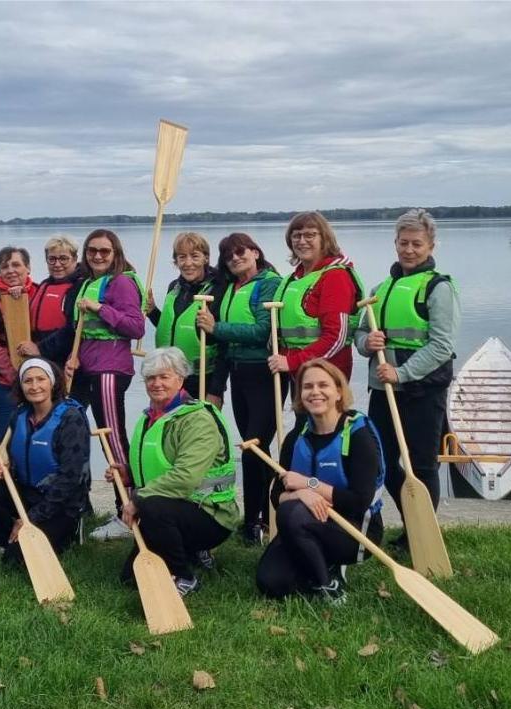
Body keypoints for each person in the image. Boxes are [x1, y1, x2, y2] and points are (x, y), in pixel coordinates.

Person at [355, 208, 459, 552]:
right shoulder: (379, 289)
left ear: (431, 245)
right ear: (395, 243)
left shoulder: (438, 287)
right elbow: (359, 335)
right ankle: (405, 522)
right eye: (403, 243)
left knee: (422, 463)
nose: (409, 250)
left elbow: (442, 345)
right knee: (380, 459)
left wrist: (402, 372)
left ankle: (421, 534)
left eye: (417, 243)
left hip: (422, 390)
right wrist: (368, 343)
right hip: (383, 390)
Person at [108, 347, 241, 596]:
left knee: (151, 506)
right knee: (130, 579)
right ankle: (189, 551)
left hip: (210, 514)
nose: (156, 383)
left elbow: (186, 477)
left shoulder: (197, 420)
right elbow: (159, 465)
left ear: (180, 379)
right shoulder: (151, 417)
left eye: (164, 377)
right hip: (173, 507)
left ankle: (185, 577)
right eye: (151, 378)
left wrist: (137, 499)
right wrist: (128, 473)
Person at [256, 359, 384, 604]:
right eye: (307, 387)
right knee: (271, 583)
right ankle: (315, 562)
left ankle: (329, 584)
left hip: (353, 530)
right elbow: (276, 496)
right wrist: (299, 495)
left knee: (291, 512)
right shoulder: (295, 439)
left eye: (323, 385)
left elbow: (358, 501)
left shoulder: (358, 436)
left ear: (338, 392)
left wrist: (308, 484)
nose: (315, 392)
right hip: (303, 523)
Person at [195, 232, 282, 545]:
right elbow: (220, 342)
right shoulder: (229, 288)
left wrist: (216, 327)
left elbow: (262, 330)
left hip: (264, 374)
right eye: (228, 255)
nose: (235, 258)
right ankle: (264, 517)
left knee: (254, 448)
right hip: (239, 373)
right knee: (253, 448)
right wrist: (217, 386)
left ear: (255, 252)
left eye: (241, 251)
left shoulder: (269, 283)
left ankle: (254, 522)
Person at [66, 229, 146, 541]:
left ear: (115, 254)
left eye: (105, 251)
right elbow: (82, 331)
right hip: (88, 368)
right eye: (92, 251)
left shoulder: (121, 282)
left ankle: (126, 511)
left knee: (113, 438)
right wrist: (74, 358)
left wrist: (100, 308)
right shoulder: (87, 282)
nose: (98, 256)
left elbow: (135, 325)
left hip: (111, 370)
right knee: (95, 434)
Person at [0, 358, 90, 564]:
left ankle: (67, 532)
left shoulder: (70, 418)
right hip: (27, 493)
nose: (34, 386)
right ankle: (9, 539)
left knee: (16, 562)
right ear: (21, 385)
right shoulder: (19, 415)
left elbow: (70, 478)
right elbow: (17, 460)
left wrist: (33, 517)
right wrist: (5, 470)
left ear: (52, 382)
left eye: (40, 379)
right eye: (28, 381)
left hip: (60, 503)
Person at [266, 212, 365, 388]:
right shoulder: (293, 279)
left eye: (310, 234)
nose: (302, 241)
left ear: (324, 238)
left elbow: (336, 338)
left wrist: (293, 361)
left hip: (326, 374)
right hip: (298, 373)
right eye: (296, 236)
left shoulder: (335, 276)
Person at [147, 231, 224, 406]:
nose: (188, 263)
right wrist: (152, 312)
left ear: (206, 258)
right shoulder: (174, 287)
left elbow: (223, 345)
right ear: (176, 261)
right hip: (169, 378)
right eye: (182, 257)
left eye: (195, 256)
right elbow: (173, 328)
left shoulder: (218, 289)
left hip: (202, 379)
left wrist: (216, 390)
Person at [0, 246, 38, 433]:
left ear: (28, 268)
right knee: (8, 443)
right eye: (5, 267)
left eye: (16, 265)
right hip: (5, 385)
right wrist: (16, 374)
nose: (11, 270)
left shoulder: (39, 294)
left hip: (39, 382)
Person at [18, 235, 81, 363]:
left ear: (74, 259)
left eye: (64, 259)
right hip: (39, 358)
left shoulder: (79, 286)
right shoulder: (45, 284)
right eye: (52, 259)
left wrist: (40, 348)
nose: (57, 264)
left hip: (63, 359)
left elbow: (73, 329)